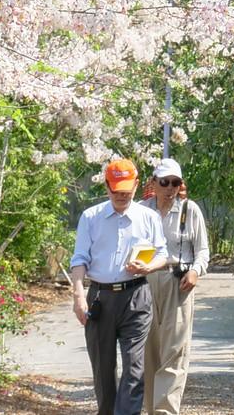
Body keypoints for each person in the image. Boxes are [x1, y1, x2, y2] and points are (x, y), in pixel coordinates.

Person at [70, 158, 167, 415]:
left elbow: (162, 255)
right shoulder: (90, 217)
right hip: (100, 297)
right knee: (103, 370)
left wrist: (150, 267)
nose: (121, 196)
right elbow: (79, 259)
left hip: (137, 296)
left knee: (135, 367)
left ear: (137, 185)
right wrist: (78, 296)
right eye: (116, 191)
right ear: (106, 187)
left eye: (127, 191)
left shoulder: (149, 217)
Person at [143, 157, 209, 415]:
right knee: (147, 351)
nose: (170, 188)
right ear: (154, 183)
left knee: (175, 351)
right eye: (165, 182)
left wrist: (195, 271)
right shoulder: (142, 210)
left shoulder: (189, 210)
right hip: (145, 283)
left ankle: (165, 411)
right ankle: (149, 408)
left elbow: (203, 250)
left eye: (175, 183)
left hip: (177, 282)